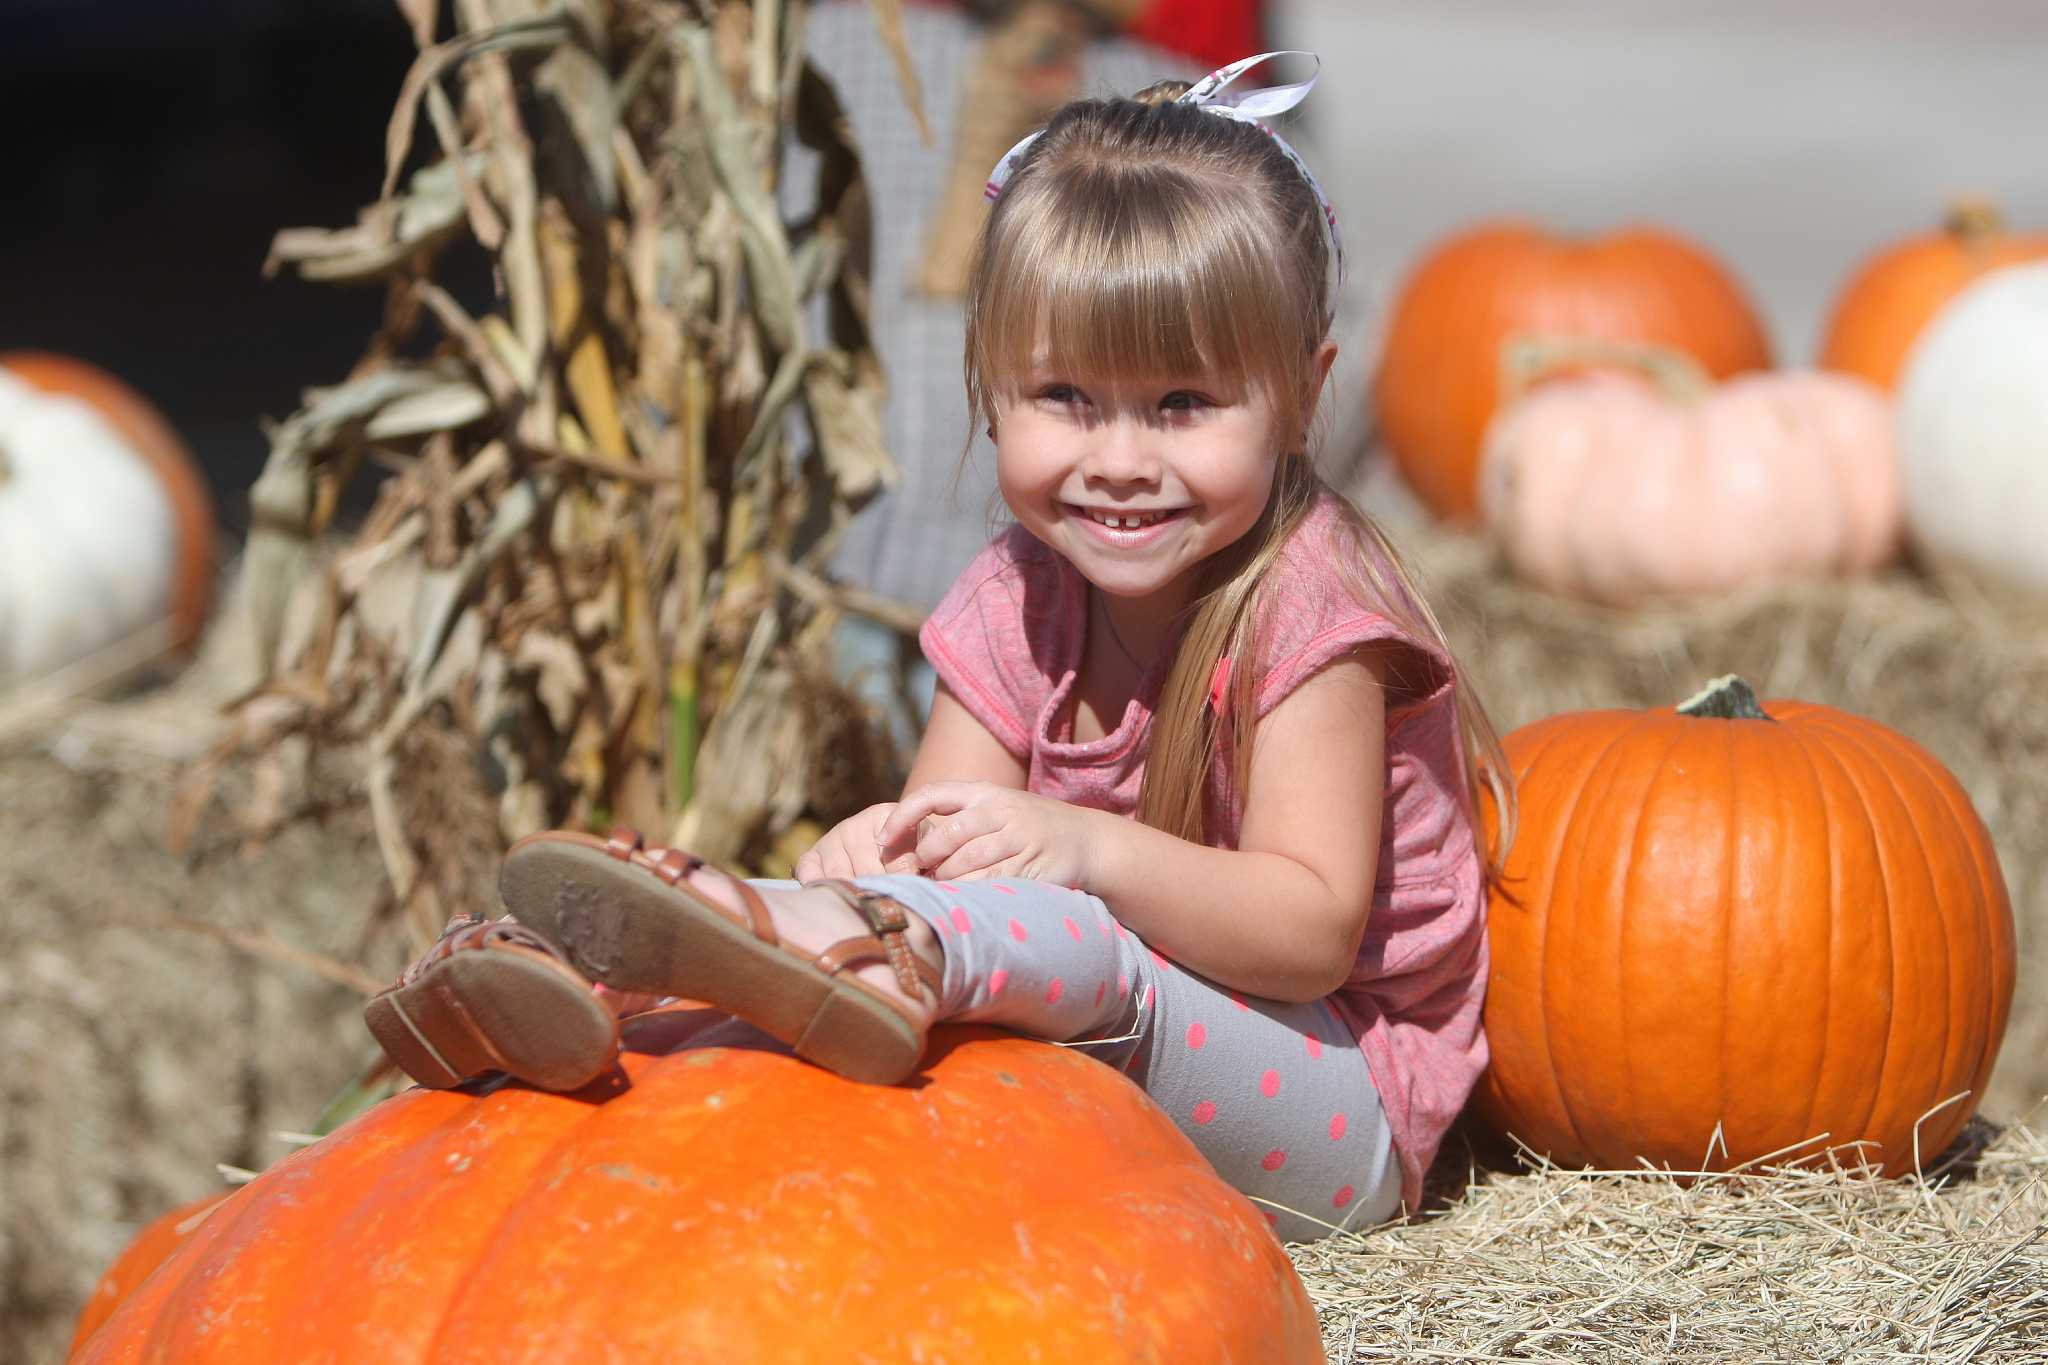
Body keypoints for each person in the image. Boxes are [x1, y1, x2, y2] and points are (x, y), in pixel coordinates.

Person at [363, 52, 1514, 1240]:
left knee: (1068, 939)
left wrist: (1081, 850)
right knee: (905, 967)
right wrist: (882, 858)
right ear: (988, 390)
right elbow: (949, 852)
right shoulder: (1017, 591)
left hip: (1332, 1105)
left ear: (1300, 396)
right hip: (1120, 1043)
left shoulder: (1308, 608)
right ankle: (611, 1004)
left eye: (1182, 404)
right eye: (1063, 395)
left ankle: (757, 938)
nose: (1119, 457)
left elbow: (1308, 933)